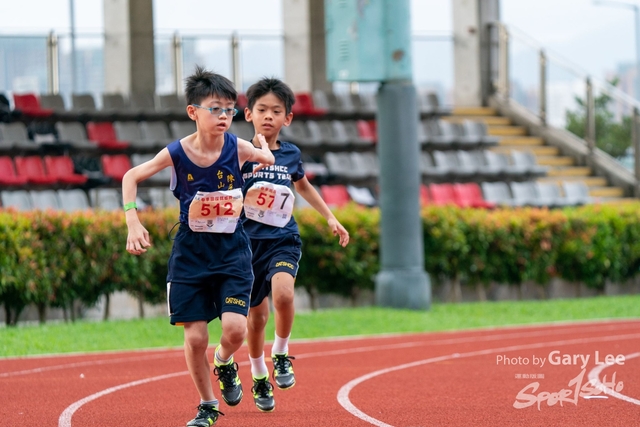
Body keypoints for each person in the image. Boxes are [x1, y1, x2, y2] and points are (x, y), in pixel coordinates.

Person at [122, 66, 275, 427]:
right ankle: (207, 405)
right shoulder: (176, 153)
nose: (223, 116)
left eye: (229, 110)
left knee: (236, 329)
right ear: (193, 112)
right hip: (191, 254)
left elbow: (265, 158)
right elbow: (131, 176)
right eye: (215, 109)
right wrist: (132, 220)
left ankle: (224, 361)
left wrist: (263, 149)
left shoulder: (237, 147)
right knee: (194, 338)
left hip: (232, 250)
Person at [240, 77, 350, 412]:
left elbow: (303, 187)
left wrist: (330, 216)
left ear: (287, 118)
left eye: (276, 111)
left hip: (282, 239)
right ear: (248, 114)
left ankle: (282, 352)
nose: (269, 116)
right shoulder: (238, 154)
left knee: (285, 293)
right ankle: (259, 373)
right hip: (246, 246)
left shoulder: (290, 154)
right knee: (256, 318)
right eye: (262, 110)